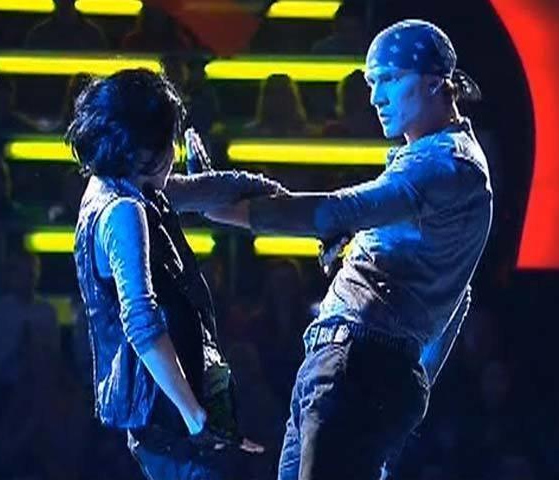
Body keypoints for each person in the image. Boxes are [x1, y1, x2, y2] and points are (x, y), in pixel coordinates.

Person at [206, 19, 493, 480]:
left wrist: (212, 205)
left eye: (389, 79)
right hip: (355, 365)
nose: (376, 97)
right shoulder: (440, 163)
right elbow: (456, 299)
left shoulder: (444, 164)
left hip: (357, 363)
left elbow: (335, 211)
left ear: (434, 81)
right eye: (371, 83)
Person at [69, 68, 283, 480]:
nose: (173, 149)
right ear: (143, 147)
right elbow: (141, 322)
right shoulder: (122, 211)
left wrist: (278, 194)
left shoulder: (126, 187)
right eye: (168, 139)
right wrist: (195, 416)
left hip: (171, 414)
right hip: (167, 417)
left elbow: (210, 189)